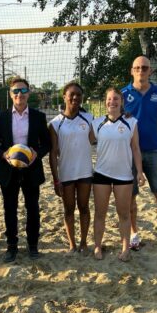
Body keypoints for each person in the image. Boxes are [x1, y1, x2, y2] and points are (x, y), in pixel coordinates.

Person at [0, 77, 51, 262]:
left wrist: (37, 154)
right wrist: (4, 154)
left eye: (23, 90)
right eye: (16, 91)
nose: (19, 94)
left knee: (32, 208)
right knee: (10, 209)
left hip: (31, 168)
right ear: (10, 94)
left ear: (28, 93)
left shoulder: (38, 117)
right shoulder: (1, 117)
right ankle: (12, 246)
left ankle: (33, 245)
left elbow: (47, 143)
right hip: (9, 169)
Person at [89, 88, 145, 261]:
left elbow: (135, 148)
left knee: (124, 214)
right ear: (105, 101)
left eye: (116, 99)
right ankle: (97, 247)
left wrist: (140, 171)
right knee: (100, 213)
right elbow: (85, 142)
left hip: (124, 176)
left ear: (121, 102)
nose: (112, 102)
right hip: (101, 174)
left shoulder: (131, 122)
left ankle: (125, 249)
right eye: (109, 99)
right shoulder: (97, 123)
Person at [121, 55, 157, 252]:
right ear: (132, 71)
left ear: (150, 71)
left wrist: (151, 135)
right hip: (129, 153)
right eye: (137, 67)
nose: (141, 70)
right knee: (130, 196)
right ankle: (134, 234)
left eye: (144, 67)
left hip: (153, 151)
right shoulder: (123, 94)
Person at [49, 82, 93, 253]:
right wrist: (56, 179)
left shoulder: (89, 118)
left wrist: (125, 113)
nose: (75, 97)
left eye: (79, 95)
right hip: (66, 173)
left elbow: (110, 121)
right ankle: (72, 244)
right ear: (64, 97)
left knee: (84, 207)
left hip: (85, 172)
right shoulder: (55, 123)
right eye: (72, 94)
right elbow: (53, 153)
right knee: (68, 209)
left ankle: (83, 243)